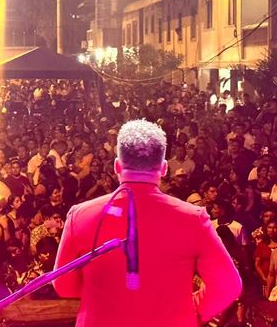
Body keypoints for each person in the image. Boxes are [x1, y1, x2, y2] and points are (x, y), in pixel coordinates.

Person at [54, 119, 242, 327]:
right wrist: (190, 312)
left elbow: (64, 286)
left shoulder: (79, 216)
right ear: (163, 168)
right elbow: (228, 286)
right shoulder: (193, 218)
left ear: (117, 166)